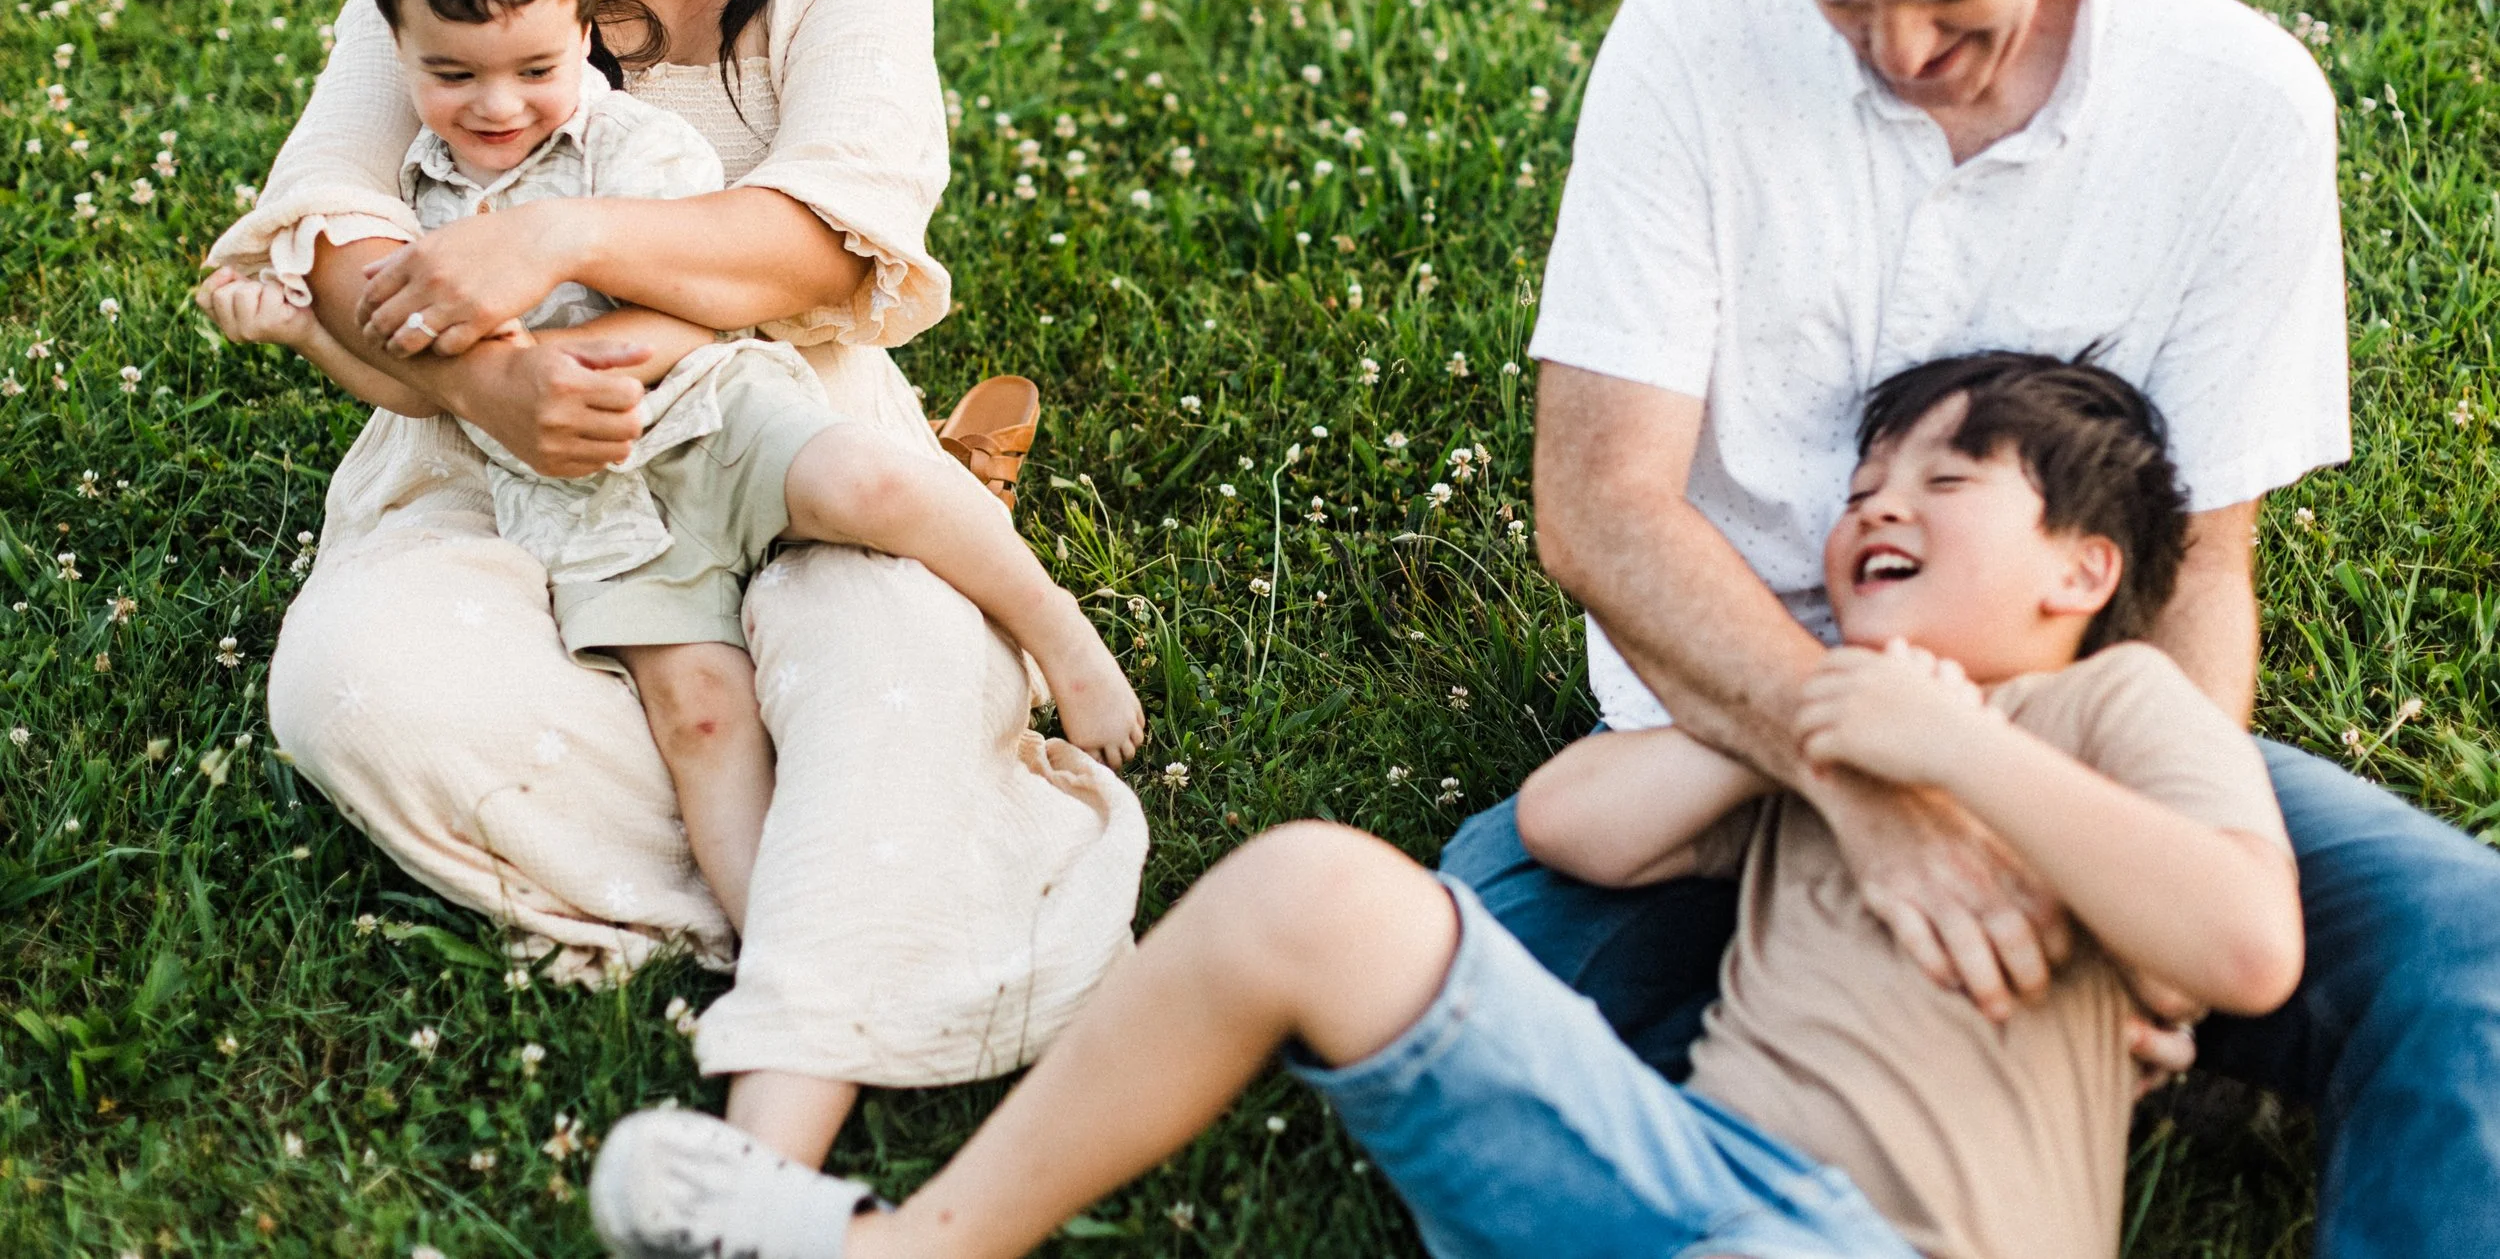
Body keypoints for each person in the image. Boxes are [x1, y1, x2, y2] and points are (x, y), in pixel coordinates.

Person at [1444, 0, 2500, 1258]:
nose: (1899, 52)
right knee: (1475, 968)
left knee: (2464, 944)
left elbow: (2206, 557)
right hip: (1711, 750)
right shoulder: (1684, 45)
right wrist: (1858, 776)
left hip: (2065, 746)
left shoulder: (2239, 105)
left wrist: (2135, 873)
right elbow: (1600, 505)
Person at [581, 352, 2302, 1259]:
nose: (1879, 505)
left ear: (2085, 564)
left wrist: (1968, 754)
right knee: (1316, 886)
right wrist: (1799, 723)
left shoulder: (2110, 705)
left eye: (1945, 475)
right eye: (1861, 482)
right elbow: (1575, 830)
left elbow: (2245, 940)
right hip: (1659, 1173)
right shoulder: (1813, 730)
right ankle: (915, 1244)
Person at [199, 0, 1147, 1171]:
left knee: (887, 651)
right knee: (357, 689)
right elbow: (334, 226)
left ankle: (811, 919)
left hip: (782, 416)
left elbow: (819, 230)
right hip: (502, 467)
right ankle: (827, 893)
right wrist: (492, 380)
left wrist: (555, 236)